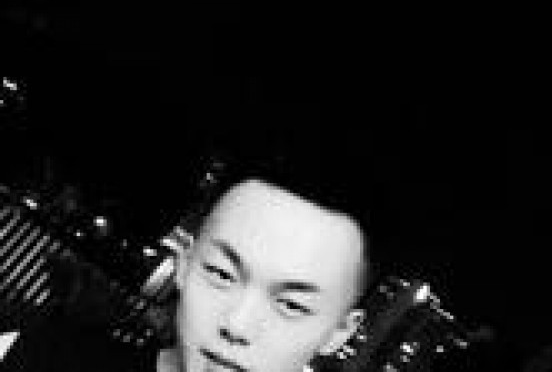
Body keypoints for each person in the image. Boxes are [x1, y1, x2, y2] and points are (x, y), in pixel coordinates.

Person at [1, 123, 394, 372]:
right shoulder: (31, 358)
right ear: (184, 264)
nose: (236, 325)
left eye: (291, 305)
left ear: (339, 331)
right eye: (221, 274)